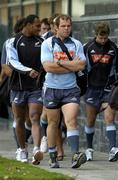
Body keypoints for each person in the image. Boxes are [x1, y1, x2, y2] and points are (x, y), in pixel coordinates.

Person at [41, 14, 87, 168]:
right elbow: (48, 67)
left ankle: (75, 155)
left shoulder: (77, 44)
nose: (67, 29)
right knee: (53, 122)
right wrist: (70, 65)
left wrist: (59, 63)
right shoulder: (47, 43)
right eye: (63, 26)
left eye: (69, 26)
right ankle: (52, 155)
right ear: (56, 28)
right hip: (52, 89)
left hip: (70, 89)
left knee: (71, 121)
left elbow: (81, 66)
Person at [6, 14, 44, 164]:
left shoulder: (42, 41)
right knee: (19, 119)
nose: (39, 29)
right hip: (18, 87)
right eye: (36, 26)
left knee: (35, 117)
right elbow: (13, 62)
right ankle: (22, 149)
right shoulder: (12, 41)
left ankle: (36, 149)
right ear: (27, 25)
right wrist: (28, 70)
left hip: (36, 88)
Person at [84, 21, 118, 162]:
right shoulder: (88, 47)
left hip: (108, 89)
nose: (103, 41)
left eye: (105, 38)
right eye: (100, 38)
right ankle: (89, 148)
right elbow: (83, 69)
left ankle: (113, 149)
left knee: (109, 118)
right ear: (96, 35)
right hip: (92, 89)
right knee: (90, 120)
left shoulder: (114, 48)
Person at [0, 17, 32, 150]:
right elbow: (5, 66)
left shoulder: (34, 43)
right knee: (19, 115)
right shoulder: (10, 43)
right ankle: (20, 144)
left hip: (32, 85)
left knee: (30, 116)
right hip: (15, 85)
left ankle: (26, 140)